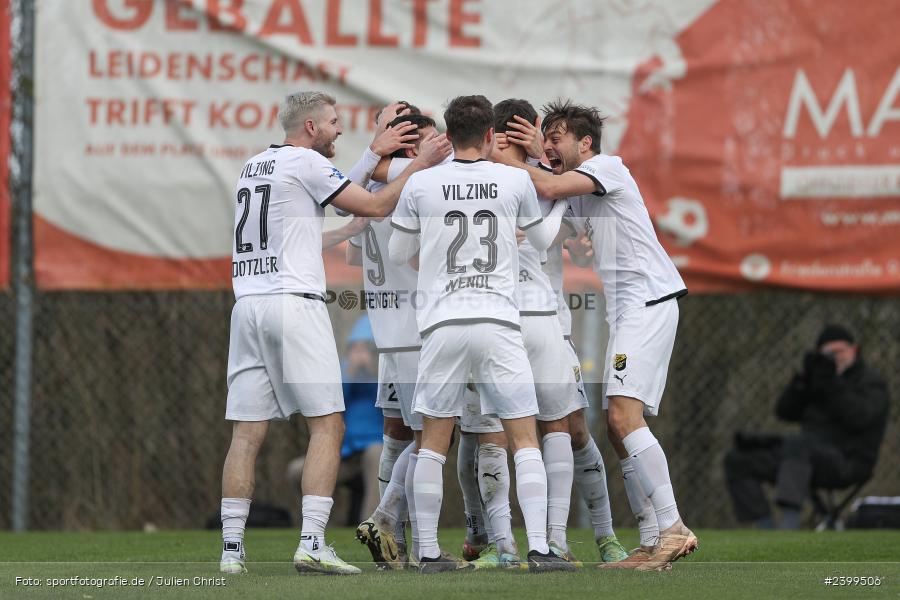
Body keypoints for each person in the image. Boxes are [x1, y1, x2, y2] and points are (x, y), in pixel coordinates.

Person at [218, 90, 450, 576]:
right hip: (293, 305)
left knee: (246, 433)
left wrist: (345, 231)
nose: (338, 130)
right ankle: (312, 543)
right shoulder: (305, 162)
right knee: (327, 424)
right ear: (310, 128)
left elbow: (300, 226)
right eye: (333, 122)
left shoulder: (255, 166)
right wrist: (419, 163)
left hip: (248, 306)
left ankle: (232, 552)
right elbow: (375, 201)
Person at [494, 98, 696, 571]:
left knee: (625, 418)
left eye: (555, 136)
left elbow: (544, 181)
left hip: (648, 302)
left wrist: (516, 160)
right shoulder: (575, 191)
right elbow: (551, 230)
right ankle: (651, 540)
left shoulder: (608, 166)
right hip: (629, 310)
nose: (548, 145)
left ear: (585, 142)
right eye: (545, 137)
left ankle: (673, 528)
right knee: (617, 424)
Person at [388, 94, 575, 574]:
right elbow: (540, 240)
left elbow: (396, 253)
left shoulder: (422, 184)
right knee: (523, 436)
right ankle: (539, 548)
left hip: (442, 323)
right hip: (498, 320)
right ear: (491, 136)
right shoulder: (514, 179)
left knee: (433, 437)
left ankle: (427, 551)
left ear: (447, 137)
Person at [724, 325, 890, 529]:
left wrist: (832, 382)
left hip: (848, 461)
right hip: (801, 459)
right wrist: (802, 380)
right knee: (738, 460)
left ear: (854, 350)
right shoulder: (817, 378)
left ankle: (788, 528)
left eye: (840, 351)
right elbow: (784, 411)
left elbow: (859, 418)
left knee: (799, 444)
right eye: (828, 353)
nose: (835, 357)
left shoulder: (871, 382)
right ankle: (765, 529)